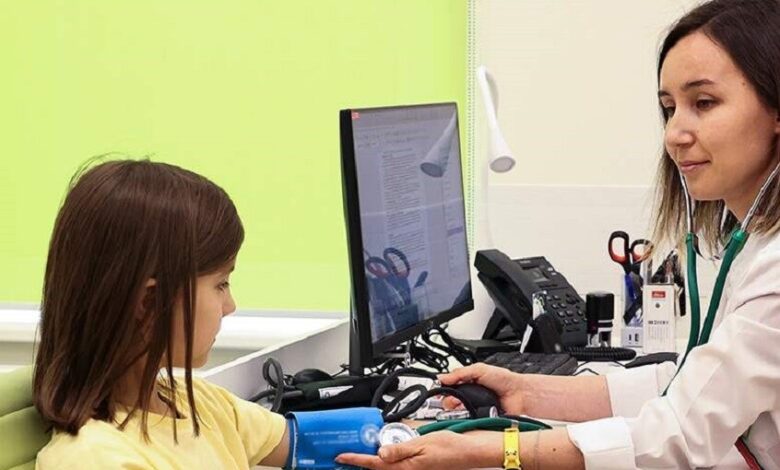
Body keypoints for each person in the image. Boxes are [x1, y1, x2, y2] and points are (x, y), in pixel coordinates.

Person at [337, 0, 780, 468]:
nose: (674, 133)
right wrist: (528, 392)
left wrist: (493, 450)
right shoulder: (755, 246)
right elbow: (688, 385)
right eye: (669, 108)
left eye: (704, 103)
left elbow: (676, 435)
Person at [33, 159, 290, 469]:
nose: (230, 306)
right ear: (149, 301)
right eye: (221, 284)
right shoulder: (94, 460)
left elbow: (316, 439)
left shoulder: (194, 402)